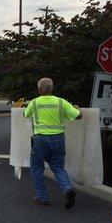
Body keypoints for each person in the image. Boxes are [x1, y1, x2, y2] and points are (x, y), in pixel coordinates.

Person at [23, 78, 82, 209]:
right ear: (52, 88)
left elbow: (26, 114)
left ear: (39, 90)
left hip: (40, 140)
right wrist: (76, 108)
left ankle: (42, 197)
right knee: (58, 167)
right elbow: (78, 116)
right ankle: (67, 189)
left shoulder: (34, 102)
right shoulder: (61, 102)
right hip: (58, 139)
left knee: (37, 168)